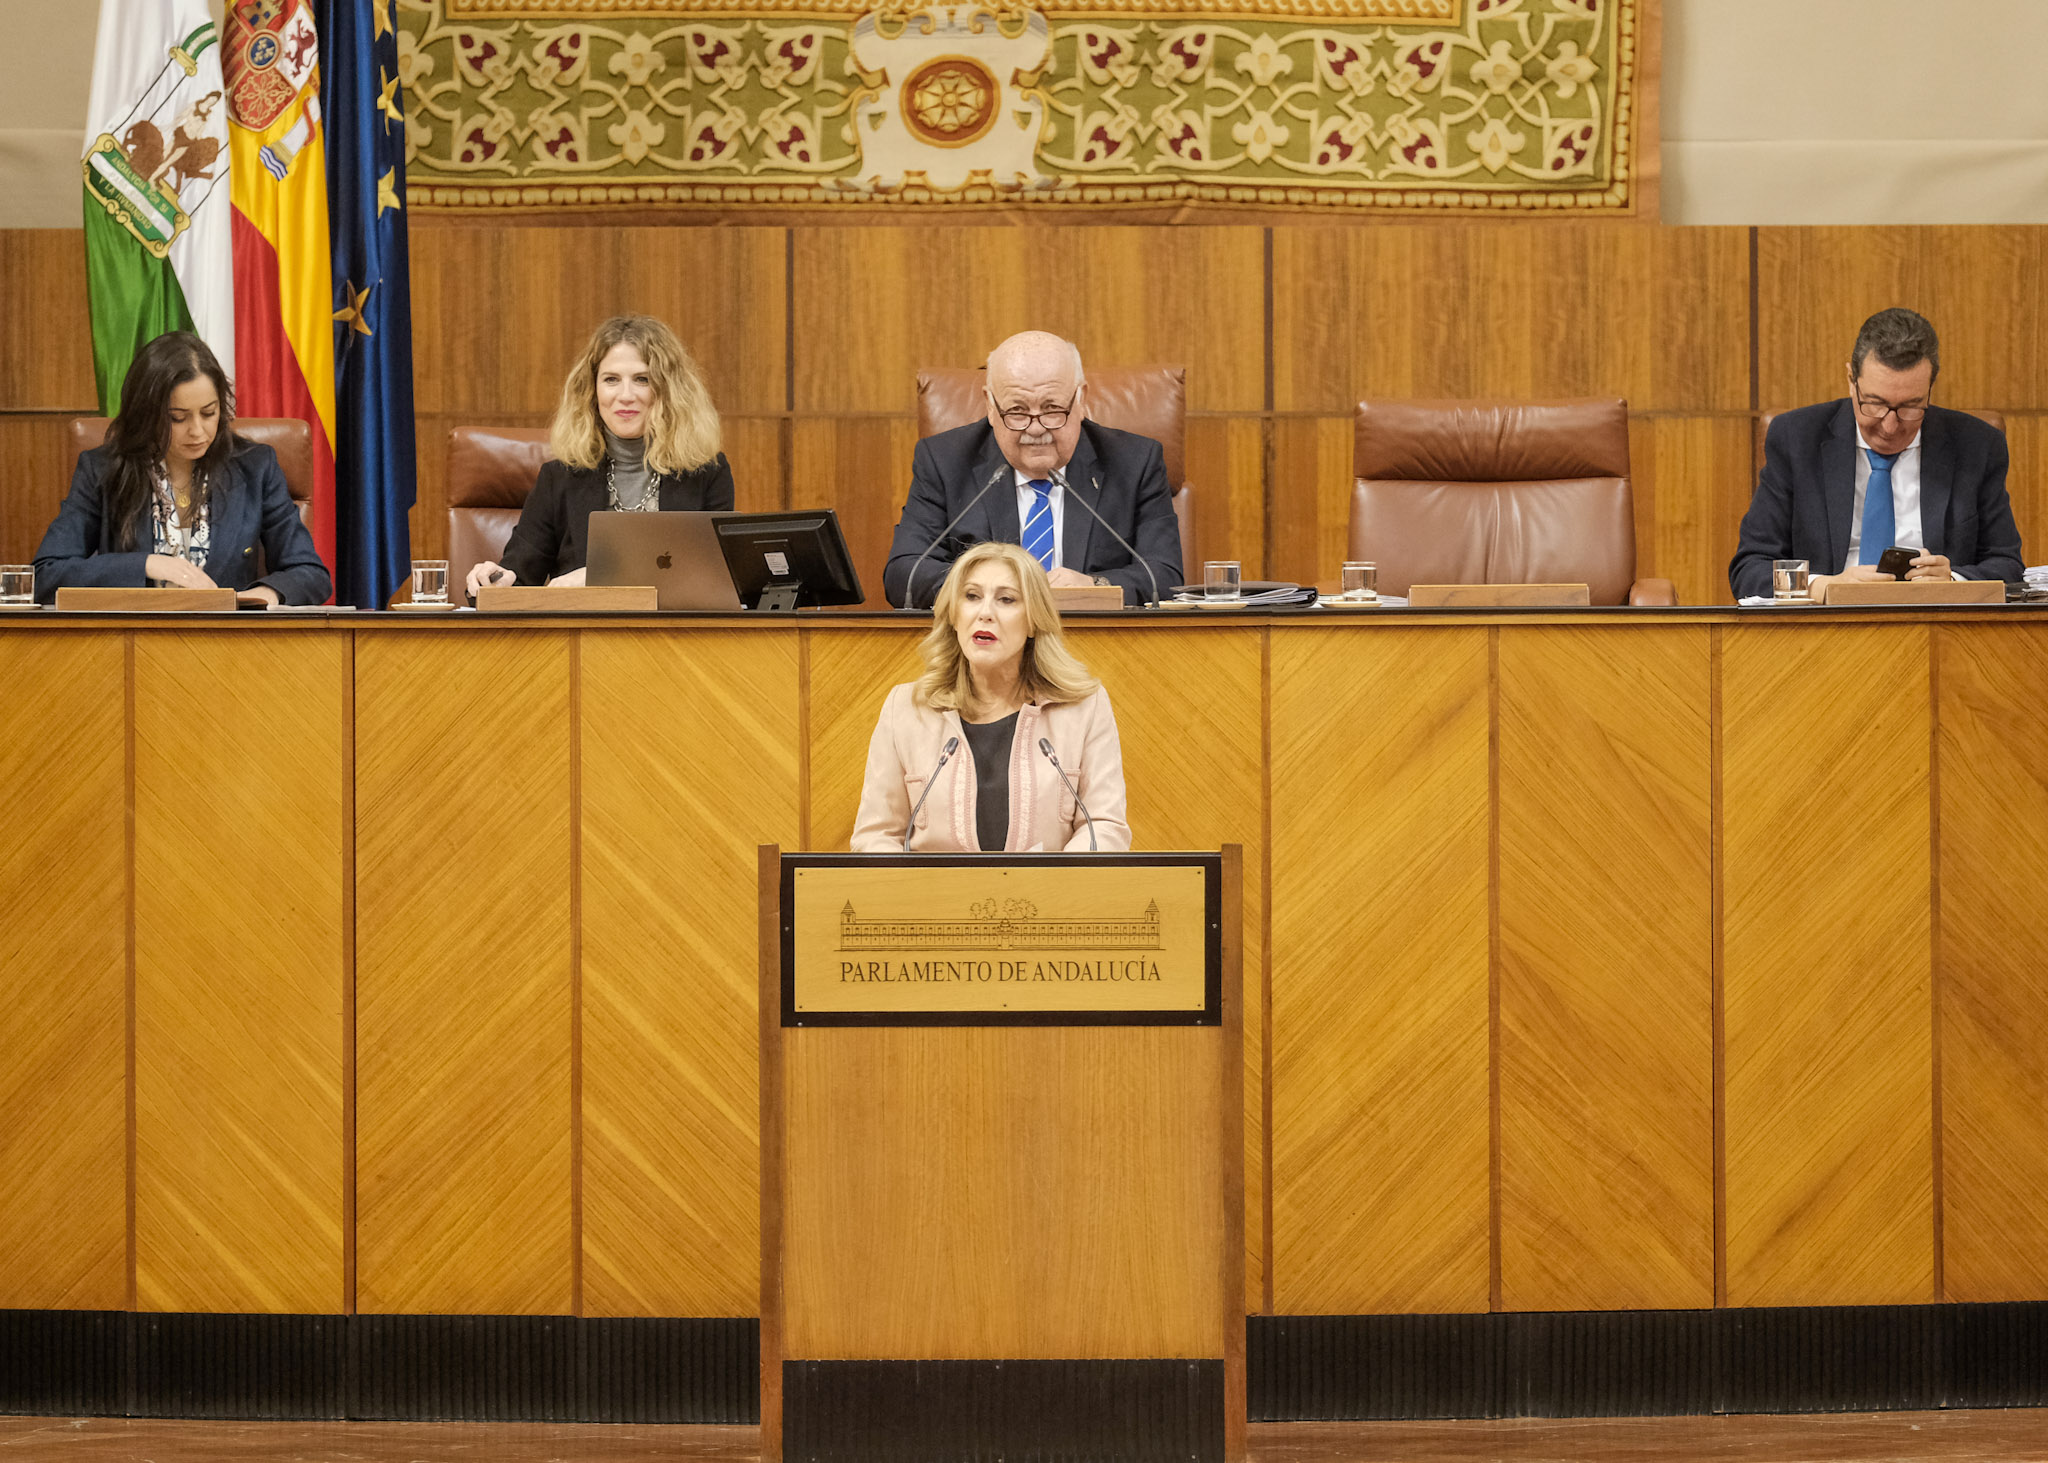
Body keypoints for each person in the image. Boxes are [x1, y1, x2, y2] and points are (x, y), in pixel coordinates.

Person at [852, 541, 1130, 853]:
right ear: (954, 614)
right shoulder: (905, 708)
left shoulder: (1083, 707)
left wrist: (1057, 885)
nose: (985, 613)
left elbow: (1104, 827)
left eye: (1006, 600)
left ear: (1034, 621)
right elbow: (876, 837)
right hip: (934, 897)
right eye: (971, 597)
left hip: (1050, 896)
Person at [1730, 307, 2023, 600]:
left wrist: (1953, 581)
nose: (1890, 425)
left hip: (1938, 630)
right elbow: (1750, 569)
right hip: (1823, 632)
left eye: (1911, 406)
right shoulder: (1797, 439)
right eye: (1874, 404)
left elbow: (2007, 565)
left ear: (1931, 386)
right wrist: (1823, 587)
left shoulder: (1977, 445)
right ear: (1851, 379)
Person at [881, 330, 1182, 609]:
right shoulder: (945, 461)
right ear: (989, 404)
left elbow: (1164, 576)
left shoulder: (1134, 462)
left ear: (1081, 400)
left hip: (1095, 644)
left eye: (1052, 409)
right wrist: (999, 590)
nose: (1036, 428)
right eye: (1017, 411)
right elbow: (905, 574)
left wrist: (1093, 586)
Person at [34, 331, 331, 605]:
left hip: (230, 647)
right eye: (178, 418)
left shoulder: (255, 467)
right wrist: (148, 564)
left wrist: (263, 596)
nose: (198, 431)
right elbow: (46, 575)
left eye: (209, 413)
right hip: (131, 646)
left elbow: (310, 573)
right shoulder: (102, 469)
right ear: (146, 414)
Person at [464, 314, 734, 597]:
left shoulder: (706, 472)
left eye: (642, 379)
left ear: (668, 390)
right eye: (611, 380)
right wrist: (494, 581)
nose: (626, 395)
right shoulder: (560, 477)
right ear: (592, 391)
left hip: (672, 636)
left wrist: (599, 577)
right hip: (583, 635)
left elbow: (712, 579)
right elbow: (519, 575)